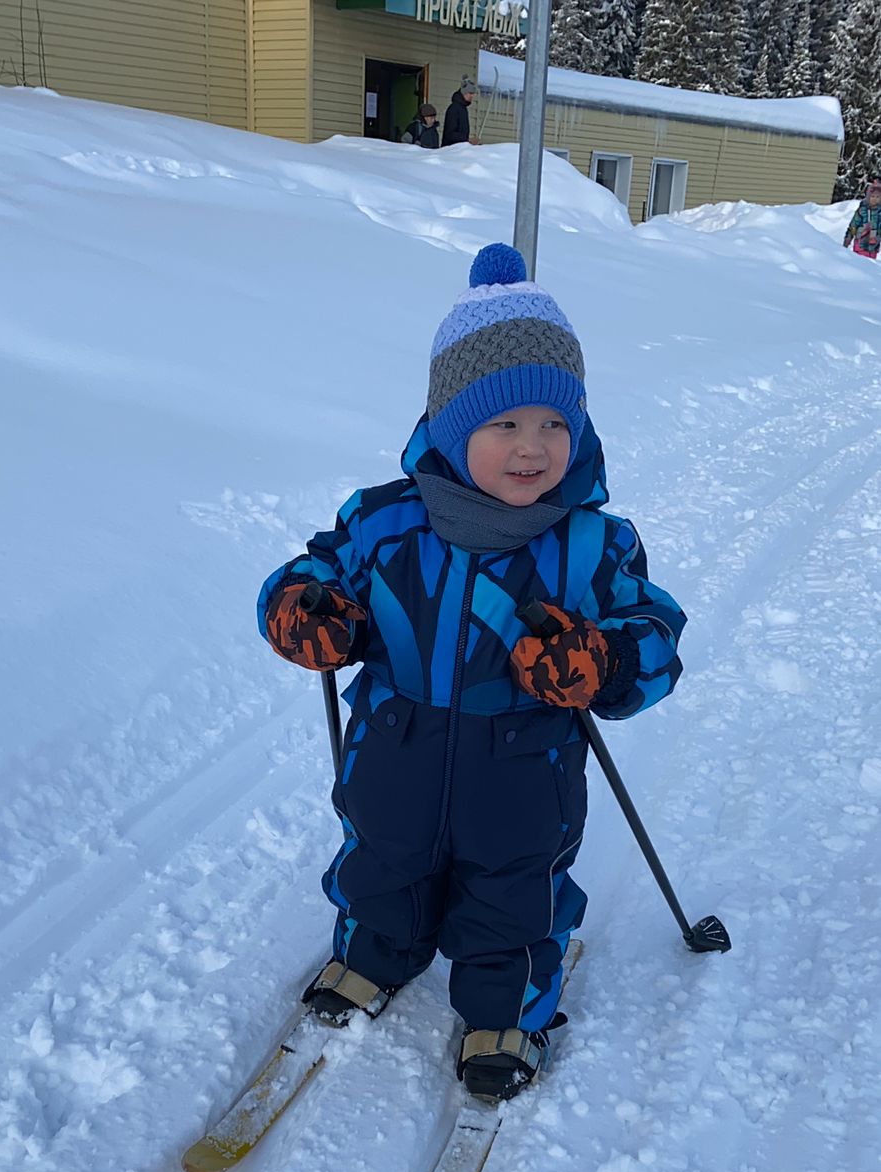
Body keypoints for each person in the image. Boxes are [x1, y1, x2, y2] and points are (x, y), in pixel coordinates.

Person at [257, 244, 686, 1100]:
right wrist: (303, 611)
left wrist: (600, 660)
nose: (533, 448)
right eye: (505, 425)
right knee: (382, 860)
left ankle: (506, 1007)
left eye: (555, 423)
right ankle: (374, 954)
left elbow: (657, 636)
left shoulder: (592, 544)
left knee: (514, 889)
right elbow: (313, 573)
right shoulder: (384, 523)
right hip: (395, 745)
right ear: (453, 427)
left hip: (524, 765)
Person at [843, 176, 881, 259]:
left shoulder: (879, 213)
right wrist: (847, 241)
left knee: (868, 264)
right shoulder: (862, 210)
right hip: (859, 245)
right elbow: (853, 226)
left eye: (878, 197)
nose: (875, 199)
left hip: (873, 248)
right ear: (868, 196)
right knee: (858, 262)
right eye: (873, 196)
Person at [441, 76, 476, 147]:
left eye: (473, 93)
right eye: (470, 93)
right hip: (451, 149)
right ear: (464, 93)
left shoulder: (463, 108)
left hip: (458, 148)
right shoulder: (454, 109)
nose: (472, 96)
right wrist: (467, 139)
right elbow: (450, 134)